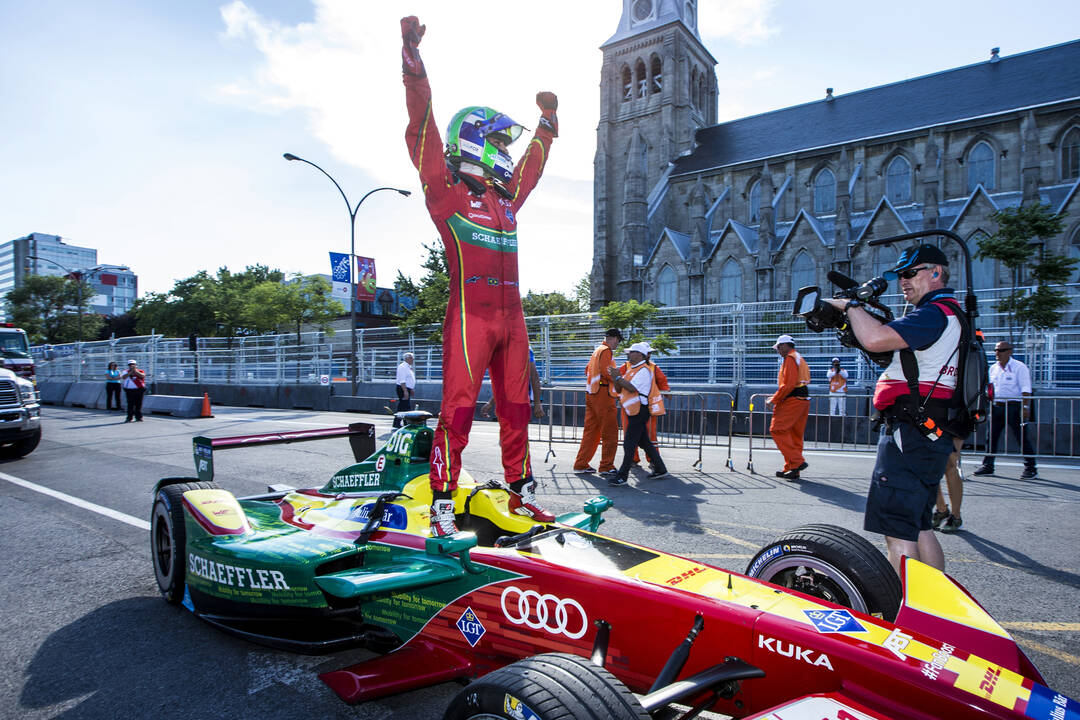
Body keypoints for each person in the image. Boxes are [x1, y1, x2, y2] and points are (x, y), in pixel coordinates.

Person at [401, 16, 557, 536]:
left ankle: (522, 491)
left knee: (518, 410)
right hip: (470, 318)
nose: (508, 156)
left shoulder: (507, 202)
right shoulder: (446, 193)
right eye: (501, 145)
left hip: (513, 322)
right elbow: (421, 129)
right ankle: (442, 504)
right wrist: (412, 62)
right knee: (459, 412)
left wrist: (546, 127)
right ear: (475, 143)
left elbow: (531, 169)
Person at [822, 243, 963, 574]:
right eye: (901, 275)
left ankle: (903, 614)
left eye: (911, 273)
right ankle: (932, 612)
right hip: (928, 430)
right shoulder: (949, 313)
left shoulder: (934, 313)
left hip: (911, 431)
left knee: (898, 533)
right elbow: (886, 350)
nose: (904, 281)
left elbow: (875, 340)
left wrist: (851, 306)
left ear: (936, 273)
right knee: (919, 525)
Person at [972, 341, 1038, 479]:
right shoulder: (993, 368)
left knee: (1021, 438)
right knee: (991, 437)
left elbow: (1026, 389)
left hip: (1014, 406)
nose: (997, 353)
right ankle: (988, 466)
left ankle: (1031, 467)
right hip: (997, 406)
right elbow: (991, 387)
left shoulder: (1019, 367)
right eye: (996, 350)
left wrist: (1025, 407)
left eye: (1001, 350)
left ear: (1010, 352)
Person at [606, 342, 668, 486]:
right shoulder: (632, 369)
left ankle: (622, 476)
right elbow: (619, 389)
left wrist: (617, 378)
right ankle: (660, 468)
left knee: (629, 443)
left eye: (632, 351)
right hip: (633, 409)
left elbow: (632, 388)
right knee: (643, 441)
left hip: (639, 410)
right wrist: (617, 379)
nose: (629, 353)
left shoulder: (644, 370)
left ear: (640, 355)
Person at [573, 328, 623, 475]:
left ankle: (581, 464)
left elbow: (587, 370)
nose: (618, 345)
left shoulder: (597, 351)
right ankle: (606, 466)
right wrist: (619, 379)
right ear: (613, 338)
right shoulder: (606, 351)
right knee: (610, 433)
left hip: (592, 394)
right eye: (618, 341)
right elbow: (607, 372)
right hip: (603, 395)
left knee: (591, 432)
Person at [766, 334, 810, 480]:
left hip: (792, 399)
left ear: (785, 346)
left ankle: (796, 462)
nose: (777, 350)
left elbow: (788, 384)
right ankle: (792, 469)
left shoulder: (790, 359)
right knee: (794, 435)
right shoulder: (798, 357)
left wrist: (774, 400)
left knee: (777, 429)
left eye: (778, 347)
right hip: (802, 399)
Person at [617, 350, 669, 466]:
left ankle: (650, 462)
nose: (649, 355)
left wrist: (666, 391)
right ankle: (643, 461)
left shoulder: (650, 368)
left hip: (642, 406)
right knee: (641, 437)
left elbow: (662, 381)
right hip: (631, 406)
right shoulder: (628, 367)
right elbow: (618, 383)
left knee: (645, 436)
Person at [481, 347, 545, 421]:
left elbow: (534, 375)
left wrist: (537, 403)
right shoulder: (501, 351)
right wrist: (490, 403)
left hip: (521, 400)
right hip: (507, 400)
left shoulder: (523, 347)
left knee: (517, 428)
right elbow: (504, 383)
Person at [933, 436, 966, 533]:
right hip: (930, 424)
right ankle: (941, 509)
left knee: (950, 464)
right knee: (930, 467)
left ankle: (956, 516)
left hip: (953, 425)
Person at [393, 352, 415, 429]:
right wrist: (405, 390)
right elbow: (402, 380)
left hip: (406, 388)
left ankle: (403, 422)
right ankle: (399, 422)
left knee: (404, 406)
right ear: (406, 358)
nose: (413, 359)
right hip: (402, 388)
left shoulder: (408, 367)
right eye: (411, 358)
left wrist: (411, 388)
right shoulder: (402, 367)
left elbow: (409, 379)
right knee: (404, 406)